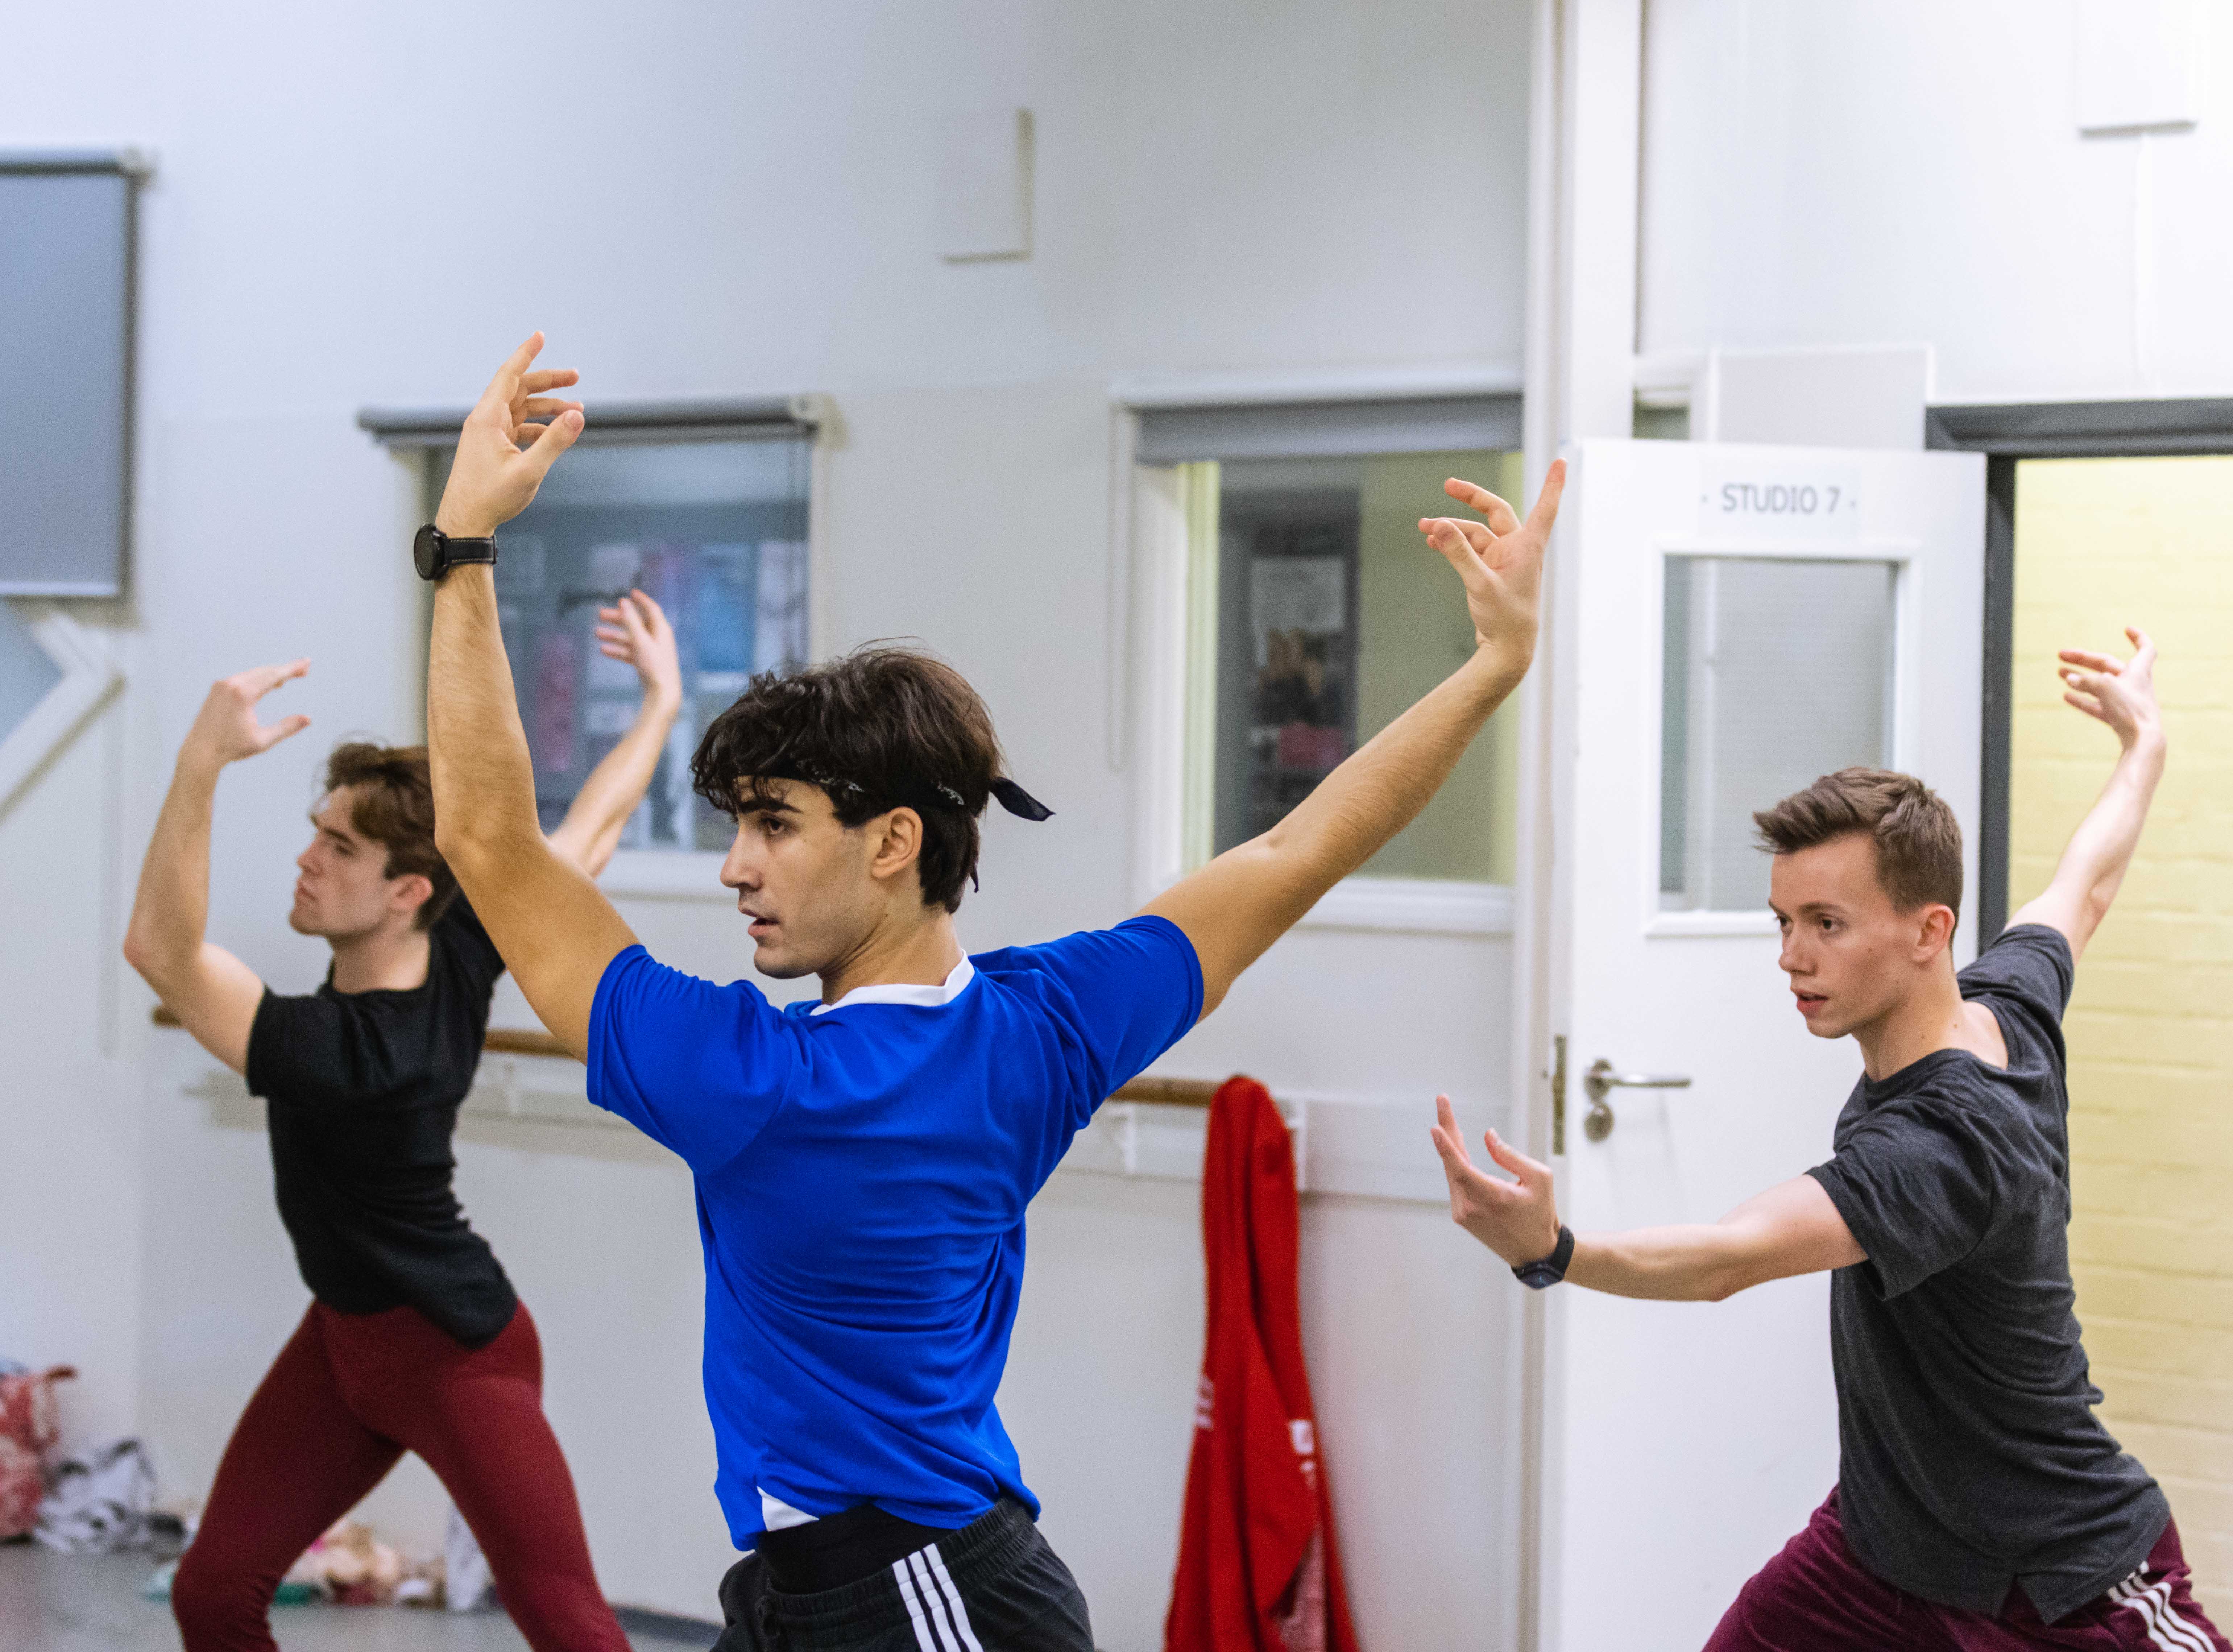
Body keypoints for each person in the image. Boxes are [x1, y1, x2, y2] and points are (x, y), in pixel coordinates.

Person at [415, 334, 1565, 1651]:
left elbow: (492, 842)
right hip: (833, 1588)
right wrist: (1489, 671)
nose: (736, 869)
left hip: (912, 1599)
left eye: (774, 828)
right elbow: (1294, 852)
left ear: (894, 843)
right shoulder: (1046, 1030)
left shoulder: (756, 1083)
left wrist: (461, 547)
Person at [1433, 631, 2227, 1651]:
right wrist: (2144, 743)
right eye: (1783, 922)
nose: (1792, 958)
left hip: (2057, 1577)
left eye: (1826, 924)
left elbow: (1730, 1256)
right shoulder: (2006, 1004)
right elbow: (2088, 884)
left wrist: (1556, 1253)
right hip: (1884, 1552)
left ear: (1928, 930)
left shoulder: (1946, 1149)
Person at [125, 586, 685, 1652]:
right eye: (317, 833)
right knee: (212, 1594)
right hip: (343, 1343)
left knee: (567, 1621)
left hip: (453, 1352)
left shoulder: (341, 1055)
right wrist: (657, 702)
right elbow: (590, 835)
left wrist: (200, 764)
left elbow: (160, 947)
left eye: (338, 848)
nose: (308, 858)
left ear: (404, 890)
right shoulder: (464, 943)